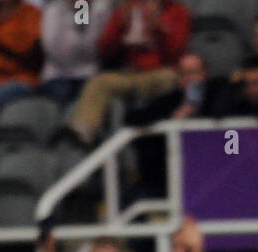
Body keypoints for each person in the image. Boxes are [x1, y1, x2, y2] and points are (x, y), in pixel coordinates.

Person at [64, 0, 191, 145]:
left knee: (169, 78)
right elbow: (105, 50)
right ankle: (82, 130)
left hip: (159, 73)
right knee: (100, 82)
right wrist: (120, 26)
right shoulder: (128, 8)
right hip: (129, 73)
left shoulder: (177, 11)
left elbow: (176, 54)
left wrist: (158, 28)